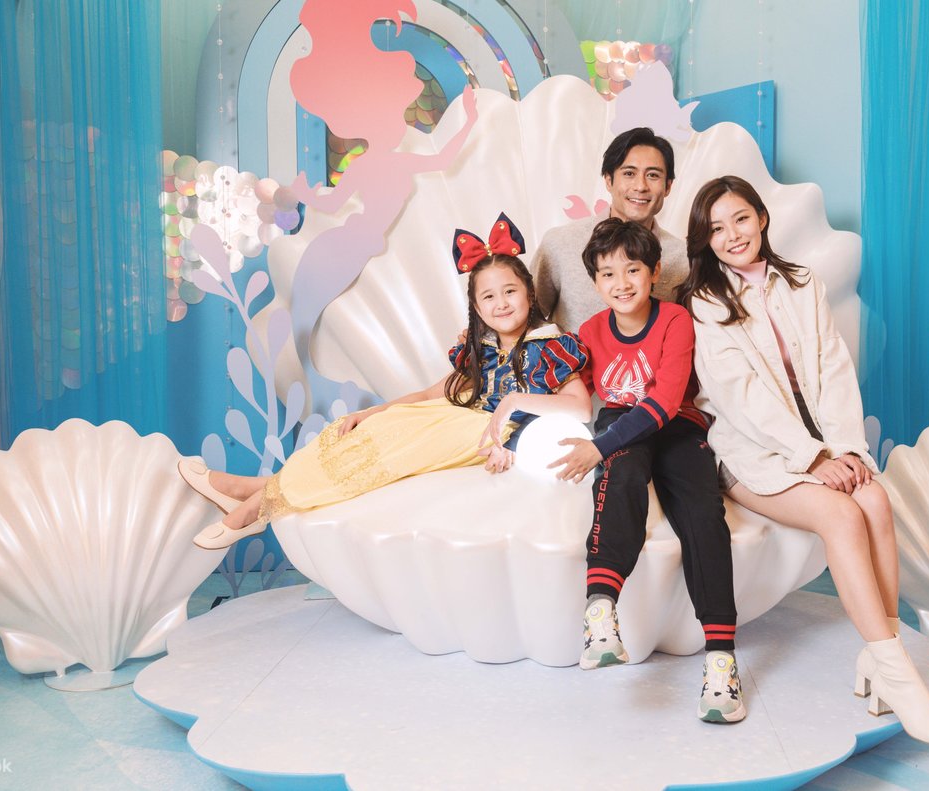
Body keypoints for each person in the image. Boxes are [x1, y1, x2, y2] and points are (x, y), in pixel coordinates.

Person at [676, 176, 929, 751]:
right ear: (704, 240)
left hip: (820, 443)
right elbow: (740, 398)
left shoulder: (801, 282)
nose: (732, 235)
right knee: (841, 515)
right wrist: (811, 457)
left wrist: (845, 449)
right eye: (716, 228)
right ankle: (905, 687)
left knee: (875, 498)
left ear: (762, 218)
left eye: (740, 219)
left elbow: (834, 368)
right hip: (749, 452)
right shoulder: (704, 302)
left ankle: (881, 662)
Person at [182, 215, 591, 550]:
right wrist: (375, 411)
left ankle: (250, 506)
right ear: (477, 308)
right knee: (366, 431)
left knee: (380, 454)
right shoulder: (481, 350)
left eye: (510, 292)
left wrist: (515, 401)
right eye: (488, 297)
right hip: (452, 415)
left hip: (479, 433)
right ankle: (254, 493)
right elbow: (432, 393)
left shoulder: (549, 346)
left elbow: (580, 406)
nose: (501, 303)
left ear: (529, 294)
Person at [552, 218, 742, 723]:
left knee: (703, 512)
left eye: (632, 269)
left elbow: (664, 401)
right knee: (621, 475)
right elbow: (564, 386)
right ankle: (599, 612)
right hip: (621, 423)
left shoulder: (675, 319)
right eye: (608, 274)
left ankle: (721, 662)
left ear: (655, 272)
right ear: (595, 283)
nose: (621, 283)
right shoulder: (590, 332)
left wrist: (598, 447)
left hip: (676, 423)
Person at [532, 127, 688, 333]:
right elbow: (524, 316)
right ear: (608, 180)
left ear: (668, 186)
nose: (640, 186)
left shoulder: (684, 259)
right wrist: (559, 348)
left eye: (652, 175)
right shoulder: (560, 242)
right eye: (629, 173)